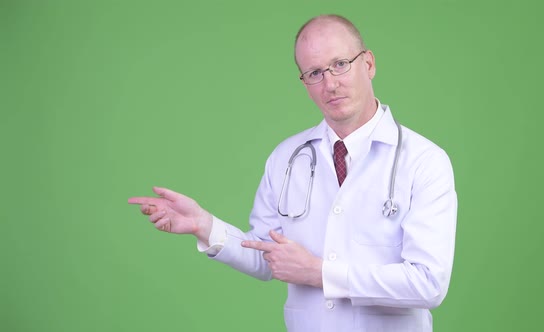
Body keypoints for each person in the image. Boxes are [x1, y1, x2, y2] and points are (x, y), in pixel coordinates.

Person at [129, 14, 457, 332]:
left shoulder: (424, 161)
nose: (330, 83)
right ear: (304, 82)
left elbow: (428, 284)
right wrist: (205, 226)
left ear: (368, 64)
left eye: (340, 64)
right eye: (314, 73)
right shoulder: (287, 157)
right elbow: (266, 255)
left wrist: (320, 273)